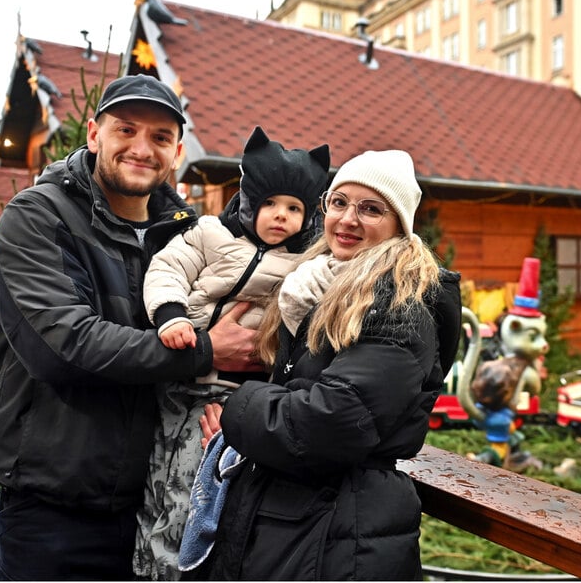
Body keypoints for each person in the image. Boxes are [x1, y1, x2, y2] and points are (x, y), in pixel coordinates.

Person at [0, 74, 260, 581]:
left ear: (176, 151)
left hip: (154, 497)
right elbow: (62, 346)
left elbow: (244, 316)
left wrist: (236, 401)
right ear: (94, 134)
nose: (141, 148)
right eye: (125, 130)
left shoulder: (190, 233)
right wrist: (204, 352)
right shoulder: (37, 218)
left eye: (159, 137)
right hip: (53, 505)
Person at [180, 149, 462, 580]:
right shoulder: (314, 285)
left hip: (340, 533)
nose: (348, 219)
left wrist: (238, 411)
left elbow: (331, 421)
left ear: (398, 226)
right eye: (339, 202)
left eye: (371, 209)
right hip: (301, 519)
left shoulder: (397, 308)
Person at [133, 125, 330, 580]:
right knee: (154, 484)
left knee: (189, 495)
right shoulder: (208, 234)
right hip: (177, 374)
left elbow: (309, 312)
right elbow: (168, 267)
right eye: (270, 204)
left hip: (228, 396)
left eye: (294, 208)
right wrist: (171, 315)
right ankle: (143, 568)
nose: (281, 216)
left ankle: (171, 571)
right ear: (248, 201)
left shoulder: (302, 265)